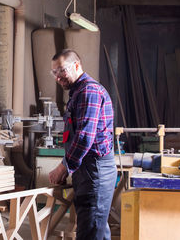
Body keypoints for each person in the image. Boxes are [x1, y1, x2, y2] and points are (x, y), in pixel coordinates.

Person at [48, 49, 117, 240]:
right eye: (54, 72)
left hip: (96, 171)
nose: (58, 77)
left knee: (91, 232)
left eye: (61, 70)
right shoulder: (78, 92)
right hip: (87, 170)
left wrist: (64, 167)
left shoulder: (89, 91)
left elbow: (85, 137)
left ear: (77, 65)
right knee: (97, 232)